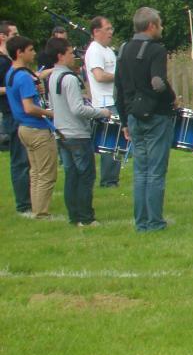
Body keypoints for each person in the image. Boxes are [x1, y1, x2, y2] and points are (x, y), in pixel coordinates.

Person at [114, 7, 177, 232]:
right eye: (159, 24)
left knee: (140, 170)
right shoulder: (156, 50)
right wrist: (172, 98)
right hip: (155, 115)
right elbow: (158, 83)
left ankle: (141, 222)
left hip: (132, 115)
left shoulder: (123, 49)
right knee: (156, 171)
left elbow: (118, 89)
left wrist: (124, 121)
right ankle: (155, 221)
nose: (161, 28)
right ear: (151, 26)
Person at [48, 39, 110, 226]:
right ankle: (86, 217)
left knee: (71, 175)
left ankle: (74, 216)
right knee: (85, 176)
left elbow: (56, 105)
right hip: (77, 134)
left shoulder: (52, 77)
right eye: (69, 53)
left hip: (61, 133)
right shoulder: (69, 78)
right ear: (60, 56)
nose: (73, 57)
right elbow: (77, 109)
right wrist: (101, 112)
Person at [4, 35, 57, 219]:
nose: (34, 53)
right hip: (36, 128)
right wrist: (51, 113)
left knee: (35, 172)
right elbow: (29, 107)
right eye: (31, 50)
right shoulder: (24, 77)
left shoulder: (11, 73)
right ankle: (41, 212)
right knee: (46, 173)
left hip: (23, 128)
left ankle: (36, 208)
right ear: (20, 53)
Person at [84, 16, 122, 187]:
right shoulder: (94, 50)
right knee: (110, 142)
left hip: (114, 99)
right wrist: (121, 76)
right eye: (107, 29)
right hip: (105, 103)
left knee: (117, 141)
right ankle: (108, 181)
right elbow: (99, 76)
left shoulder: (107, 50)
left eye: (111, 28)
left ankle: (112, 178)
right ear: (96, 31)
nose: (110, 32)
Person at [0, 21, 32, 214]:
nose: (17, 38)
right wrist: (15, 87)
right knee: (19, 160)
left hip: (20, 112)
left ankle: (30, 198)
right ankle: (23, 204)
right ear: (2, 37)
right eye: (14, 34)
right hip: (11, 114)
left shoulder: (9, 61)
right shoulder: (2, 62)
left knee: (27, 160)